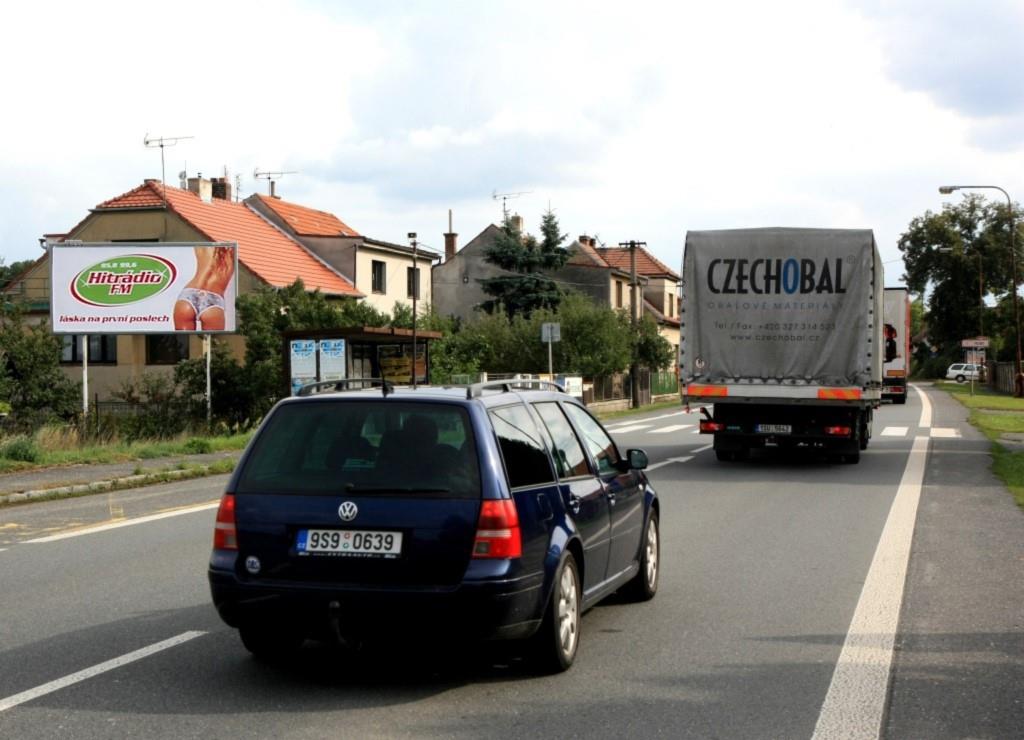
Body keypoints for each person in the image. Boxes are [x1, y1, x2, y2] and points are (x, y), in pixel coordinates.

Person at [173, 246, 234, 330]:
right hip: (213, 298)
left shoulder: (202, 243)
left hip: (188, 293)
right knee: (214, 342)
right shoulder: (232, 248)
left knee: (182, 341)